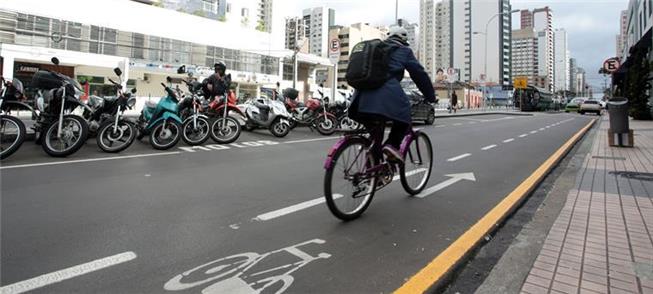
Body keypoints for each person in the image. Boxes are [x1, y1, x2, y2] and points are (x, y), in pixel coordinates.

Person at [349, 26, 436, 164]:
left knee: (375, 138)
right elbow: (419, 74)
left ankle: (371, 176)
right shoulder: (404, 50)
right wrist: (431, 96)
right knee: (405, 116)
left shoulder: (376, 49)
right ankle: (392, 146)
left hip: (359, 99)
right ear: (404, 39)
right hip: (384, 96)